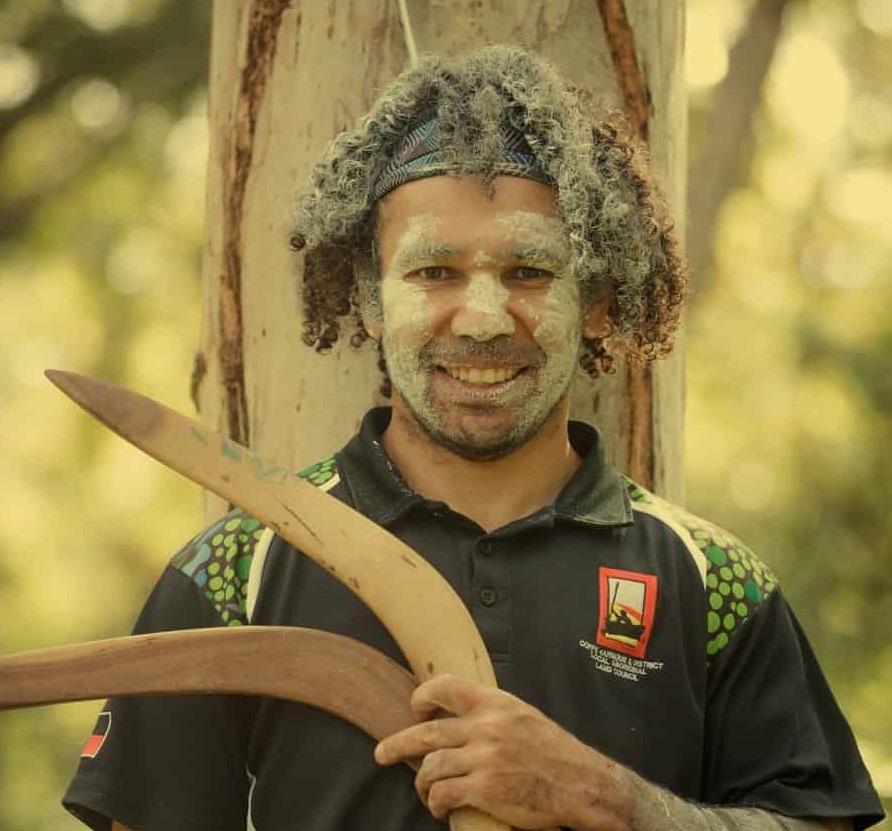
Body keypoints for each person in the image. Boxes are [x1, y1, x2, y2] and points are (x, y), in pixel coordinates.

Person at [63, 45, 884, 831]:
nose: (485, 319)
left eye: (529, 272)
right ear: (371, 298)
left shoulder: (713, 585)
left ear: (596, 300)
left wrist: (607, 798)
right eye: (434, 272)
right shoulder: (238, 570)